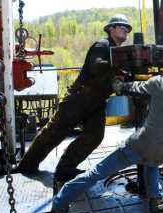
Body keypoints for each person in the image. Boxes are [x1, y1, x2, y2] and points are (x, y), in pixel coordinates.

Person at [50, 50, 163, 213]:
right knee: (151, 163)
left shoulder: (160, 83)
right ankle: (155, 198)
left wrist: (119, 85)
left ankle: (59, 204)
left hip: (138, 146)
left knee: (96, 173)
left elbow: (132, 88)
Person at [13, 14, 132, 191]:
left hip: (97, 101)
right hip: (80, 97)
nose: (125, 29)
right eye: (121, 26)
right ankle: (27, 166)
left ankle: (65, 169)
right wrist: (118, 65)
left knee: (94, 136)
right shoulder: (103, 45)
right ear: (111, 29)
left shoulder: (118, 52)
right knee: (55, 132)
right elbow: (96, 65)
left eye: (127, 28)